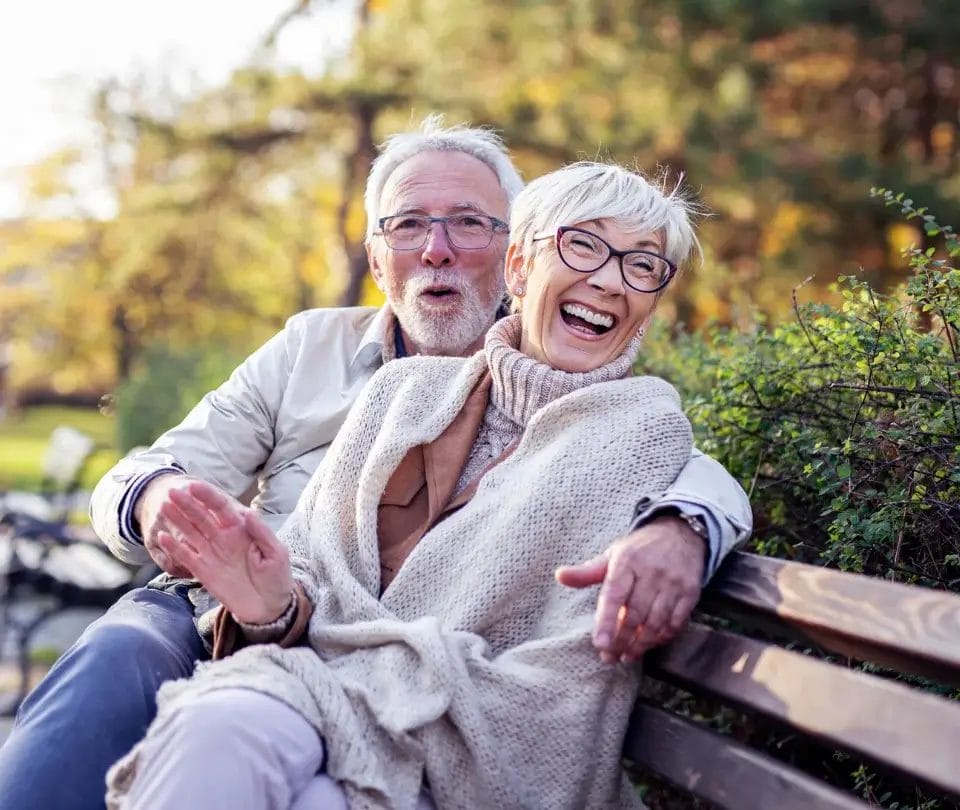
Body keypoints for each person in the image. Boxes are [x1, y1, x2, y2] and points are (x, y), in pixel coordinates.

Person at [0, 120, 750, 809]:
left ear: (507, 252)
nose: (437, 248)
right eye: (410, 225)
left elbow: (666, 457)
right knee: (128, 652)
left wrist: (687, 525)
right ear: (375, 255)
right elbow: (157, 468)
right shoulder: (313, 351)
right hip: (234, 613)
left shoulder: (605, 403)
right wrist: (156, 495)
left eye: (467, 223)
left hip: (380, 672)